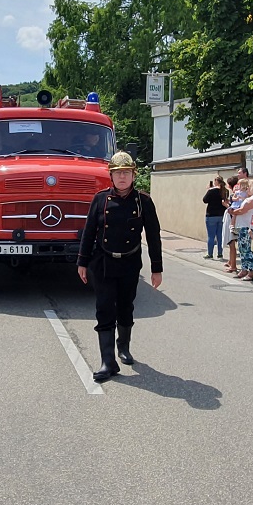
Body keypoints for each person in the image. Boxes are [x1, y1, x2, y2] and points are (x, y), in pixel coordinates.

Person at [77, 152, 163, 382]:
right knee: (104, 308)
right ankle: (107, 361)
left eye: (126, 173)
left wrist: (157, 268)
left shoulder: (143, 201)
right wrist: (82, 262)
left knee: (125, 307)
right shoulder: (100, 199)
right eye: (117, 173)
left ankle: (123, 346)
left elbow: (154, 236)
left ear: (134, 175)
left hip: (129, 262)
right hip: (103, 262)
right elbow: (89, 232)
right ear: (111, 176)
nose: (122, 177)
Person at [230, 178, 253, 281]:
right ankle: (244, 269)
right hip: (243, 225)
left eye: (249, 186)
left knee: (246, 249)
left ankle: (251, 271)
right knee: (242, 248)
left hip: (247, 226)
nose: (247, 188)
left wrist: (232, 211)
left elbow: (243, 210)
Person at [202, 177, 228, 259]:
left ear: (216, 181)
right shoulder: (225, 191)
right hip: (221, 215)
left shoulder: (211, 191)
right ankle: (220, 253)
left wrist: (209, 189)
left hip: (211, 215)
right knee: (220, 235)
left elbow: (205, 200)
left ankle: (210, 254)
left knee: (211, 236)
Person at [223, 176, 243, 272]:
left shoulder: (235, 196)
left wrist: (226, 205)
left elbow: (232, 210)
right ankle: (231, 262)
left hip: (232, 221)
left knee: (231, 243)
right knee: (231, 243)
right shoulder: (237, 196)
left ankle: (233, 266)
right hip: (233, 220)